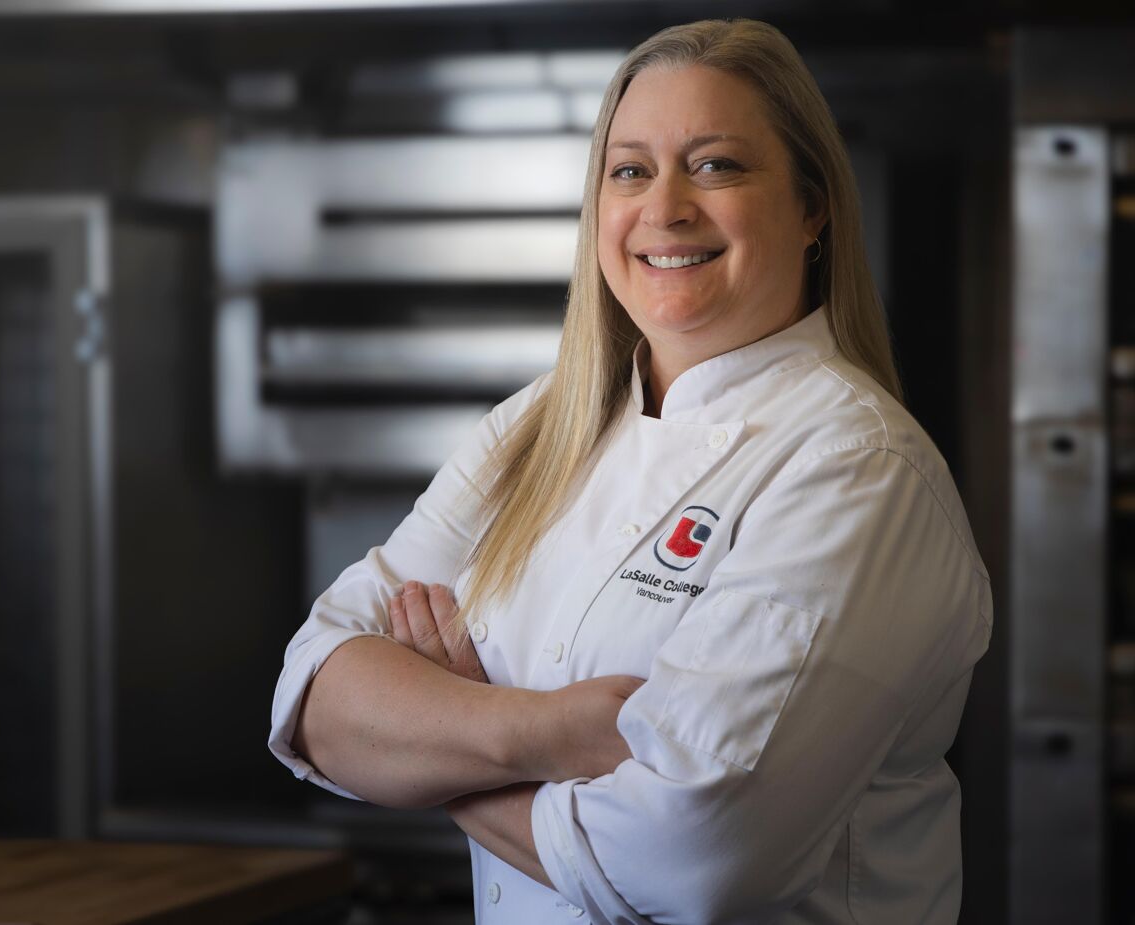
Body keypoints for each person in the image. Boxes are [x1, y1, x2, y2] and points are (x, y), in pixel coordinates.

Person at [269, 17, 991, 925]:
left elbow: (697, 855)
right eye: (631, 170)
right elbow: (312, 695)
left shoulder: (855, 469)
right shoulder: (539, 425)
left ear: (813, 208)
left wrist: (439, 753)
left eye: (718, 165)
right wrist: (543, 729)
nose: (666, 208)